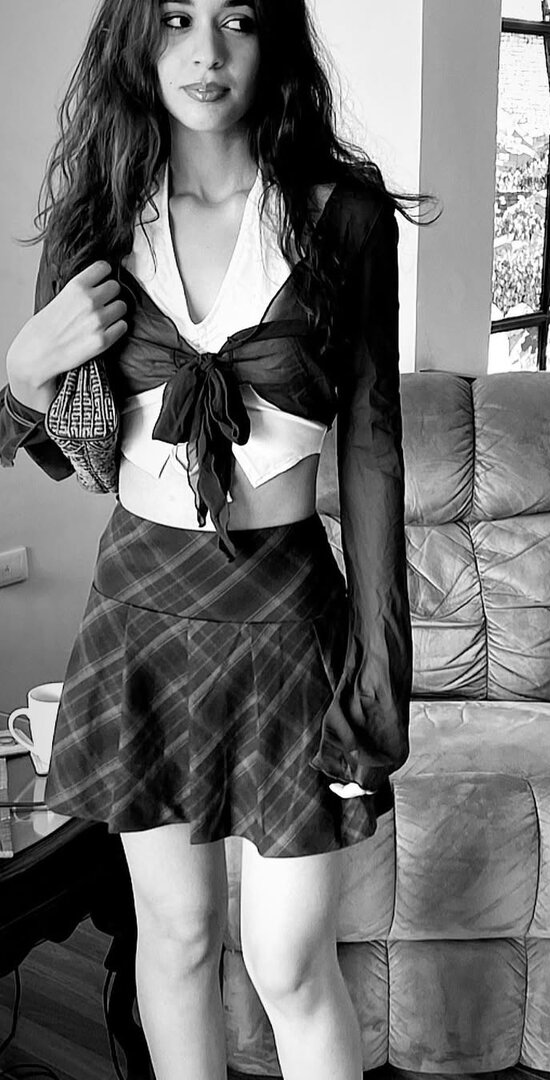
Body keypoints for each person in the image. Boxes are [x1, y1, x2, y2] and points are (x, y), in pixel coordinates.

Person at [0, 1, 435, 1077]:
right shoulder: (98, 217)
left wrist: (380, 677)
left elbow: (372, 452)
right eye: (176, 19)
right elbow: (61, 449)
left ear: (272, 38)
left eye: (236, 17)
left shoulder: (342, 216)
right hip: (140, 618)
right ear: (136, 40)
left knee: (290, 963)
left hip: (287, 620)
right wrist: (21, 374)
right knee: (178, 936)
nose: (205, 51)